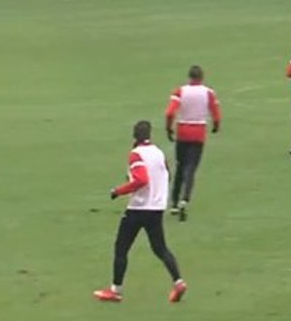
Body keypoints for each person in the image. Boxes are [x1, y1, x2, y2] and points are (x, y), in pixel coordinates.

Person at [94, 120, 187, 303]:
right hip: (156, 208)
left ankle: (116, 290)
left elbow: (141, 179)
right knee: (160, 249)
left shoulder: (136, 155)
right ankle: (178, 281)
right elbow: (165, 174)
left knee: (121, 248)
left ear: (134, 137)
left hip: (138, 209)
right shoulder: (159, 153)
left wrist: (118, 191)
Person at [164, 65, 221, 221]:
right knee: (191, 168)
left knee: (180, 166)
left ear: (189, 77)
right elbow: (215, 113)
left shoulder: (180, 91)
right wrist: (216, 126)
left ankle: (174, 203)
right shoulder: (208, 93)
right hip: (198, 134)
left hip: (182, 132)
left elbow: (170, 112)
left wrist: (168, 128)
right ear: (202, 77)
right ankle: (185, 199)